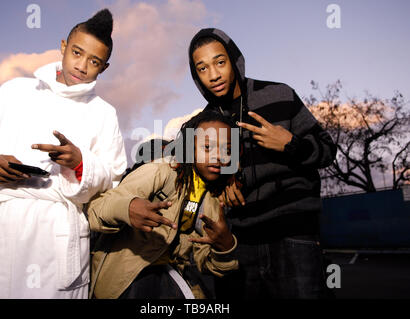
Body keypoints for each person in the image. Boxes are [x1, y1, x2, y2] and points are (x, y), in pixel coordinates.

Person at [0, 9, 127, 299]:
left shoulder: (104, 114)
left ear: (105, 67)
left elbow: (113, 179)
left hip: (54, 237)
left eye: (94, 61)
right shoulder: (13, 91)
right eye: (77, 52)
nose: (82, 65)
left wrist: (80, 164)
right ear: (63, 46)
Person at [188, 28, 337, 298]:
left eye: (220, 62)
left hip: (294, 234)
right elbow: (187, 177)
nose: (213, 75)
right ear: (196, 75)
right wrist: (219, 184)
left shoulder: (280, 94)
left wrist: (289, 143)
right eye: (202, 68)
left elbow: (327, 151)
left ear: (234, 60)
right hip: (237, 242)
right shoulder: (200, 125)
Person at [87, 110, 238, 299]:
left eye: (227, 150)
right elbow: (94, 211)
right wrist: (127, 208)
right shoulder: (159, 173)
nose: (218, 156)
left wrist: (224, 247)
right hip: (125, 284)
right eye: (207, 147)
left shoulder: (212, 202)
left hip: (171, 283)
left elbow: (210, 266)